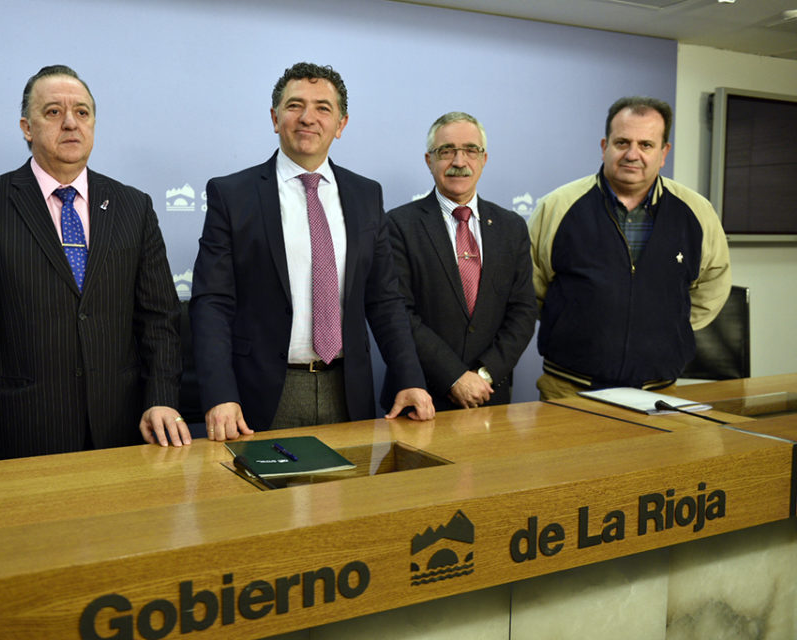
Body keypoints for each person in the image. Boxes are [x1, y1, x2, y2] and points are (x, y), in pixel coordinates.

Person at [0, 65, 189, 473]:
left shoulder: (133, 206)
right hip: (22, 430)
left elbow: (160, 319)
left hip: (122, 432)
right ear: (26, 127)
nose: (70, 123)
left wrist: (161, 397)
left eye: (82, 113)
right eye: (53, 112)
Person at [189, 62, 434, 441]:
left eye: (323, 107)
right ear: (274, 118)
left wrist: (409, 378)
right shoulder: (232, 194)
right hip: (261, 396)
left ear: (341, 124)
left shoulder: (366, 195)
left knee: (345, 500)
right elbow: (212, 302)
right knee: (263, 502)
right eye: (294, 105)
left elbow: (385, 300)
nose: (308, 118)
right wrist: (220, 394)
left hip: (348, 392)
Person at [529, 96, 731, 400]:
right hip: (569, 387)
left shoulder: (696, 212)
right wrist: (571, 319)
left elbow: (712, 285)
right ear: (604, 146)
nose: (632, 155)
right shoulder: (557, 207)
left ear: (664, 153)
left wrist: (663, 323)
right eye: (622, 142)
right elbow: (532, 285)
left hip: (659, 391)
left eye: (646, 145)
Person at [385, 112, 537, 410]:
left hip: (490, 395)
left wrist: (483, 374)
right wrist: (454, 378)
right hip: (422, 397)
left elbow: (523, 311)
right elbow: (399, 312)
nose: (459, 161)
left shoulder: (511, 226)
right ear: (429, 160)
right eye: (446, 151)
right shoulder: (398, 225)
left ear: (484, 159)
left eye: (470, 150)